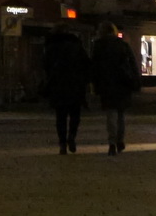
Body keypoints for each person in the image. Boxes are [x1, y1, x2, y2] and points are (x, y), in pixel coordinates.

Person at [89, 22, 140, 155]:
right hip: (123, 83)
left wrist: (95, 84)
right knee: (121, 114)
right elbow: (133, 65)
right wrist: (135, 81)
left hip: (107, 84)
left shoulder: (98, 46)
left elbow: (94, 67)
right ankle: (120, 140)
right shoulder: (123, 45)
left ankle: (112, 142)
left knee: (111, 113)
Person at [42, 20, 90, 154]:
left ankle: (62, 143)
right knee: (75, 114)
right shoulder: (76, 46)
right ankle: (72, 136)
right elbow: (86, 64)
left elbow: (45, 65)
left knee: (60, 116)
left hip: (58, 84)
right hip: (75, 84)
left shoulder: (50, 46)